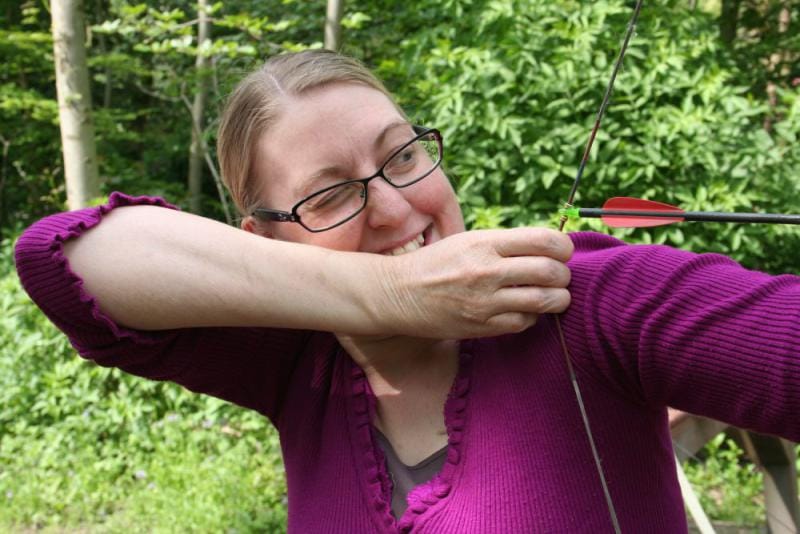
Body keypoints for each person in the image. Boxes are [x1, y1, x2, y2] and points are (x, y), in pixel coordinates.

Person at [15, 50, 800, 533]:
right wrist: (393, 291)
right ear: (268, 246)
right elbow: (60, 258)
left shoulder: (585, 301)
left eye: (403, 157)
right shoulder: (296, 364)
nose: (396, 208)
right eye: (329, 197)